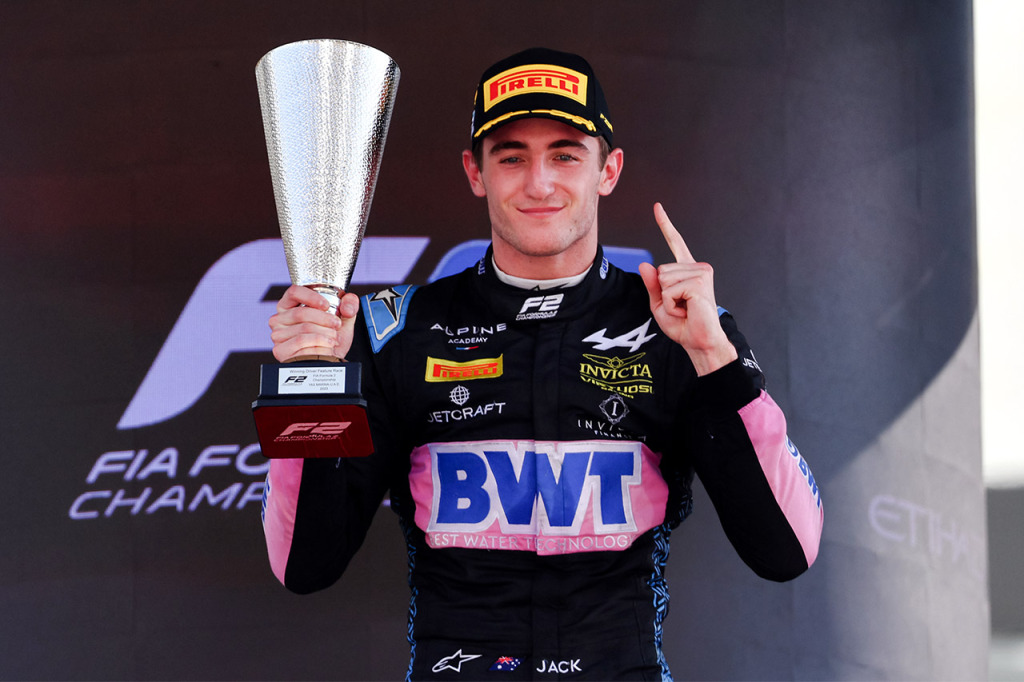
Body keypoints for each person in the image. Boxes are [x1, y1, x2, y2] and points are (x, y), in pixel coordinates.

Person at [261, 47, 823, 681]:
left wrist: (716, 360)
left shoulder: (681, 327)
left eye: (565, 155)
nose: (539, 183)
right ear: (475, 172)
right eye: (511, 157)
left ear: (608, 170)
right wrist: (311, 383)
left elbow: (787, 551)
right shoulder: (396, 331)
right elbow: (303, 566)